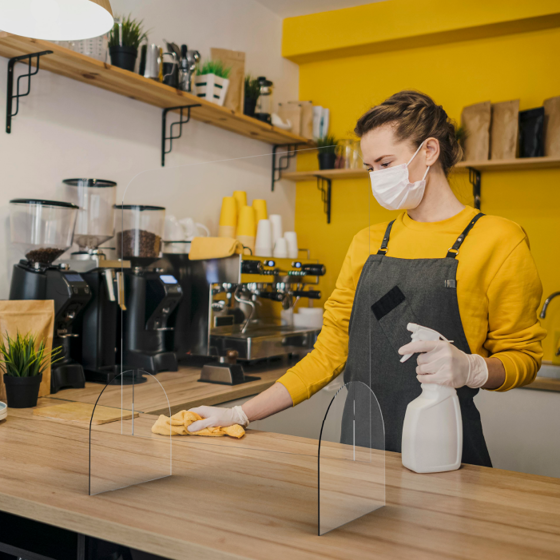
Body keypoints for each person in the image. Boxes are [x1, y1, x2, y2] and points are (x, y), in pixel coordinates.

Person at [187, 91, 546, 466]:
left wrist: (473, 368)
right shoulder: (369, 243)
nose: (377, 177)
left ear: (429, 152)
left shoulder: (497, 239)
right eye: (370, 167)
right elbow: (329, 353)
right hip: (360, 446)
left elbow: (524, 356)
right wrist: (240, 414)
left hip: (445, 448)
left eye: (385, 162)